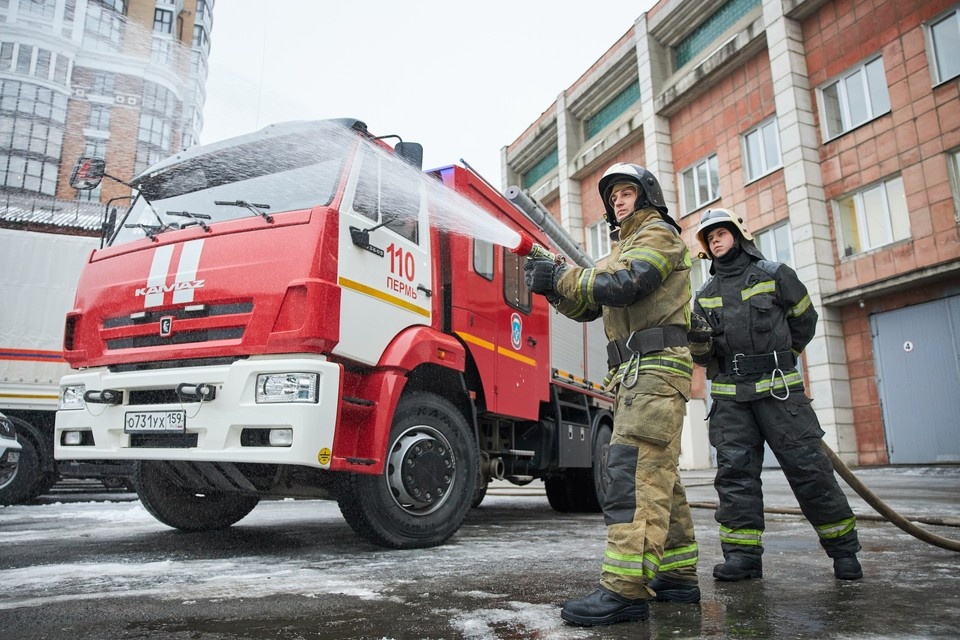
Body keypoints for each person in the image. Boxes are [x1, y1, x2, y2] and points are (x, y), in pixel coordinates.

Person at [525, 162, 700, 626]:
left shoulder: (659, 236)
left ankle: (624, 590)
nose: (618, 201)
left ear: (647, 195)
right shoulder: (621, 248)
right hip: (635, 375)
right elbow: (588, 304)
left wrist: (564, 277)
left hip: (654, 371)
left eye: (626, 192)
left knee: (635, 477)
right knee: (659, 476)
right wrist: (552, 282)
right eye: (613, 196)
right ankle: (677, 577)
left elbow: (626, 286)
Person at [688, 207, 862, 582]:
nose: (716, 239)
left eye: (721, 232)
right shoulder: (704, 295)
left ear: (740, 234)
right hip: (731, 401)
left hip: (780, 394)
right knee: (735, 478)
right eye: (709, 237)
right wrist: (700, 347)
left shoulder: (776, 275)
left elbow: (806, 321)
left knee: (810, 470)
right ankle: (742, 558)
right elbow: (702, 356)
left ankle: (844, 552)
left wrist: (783, 360)